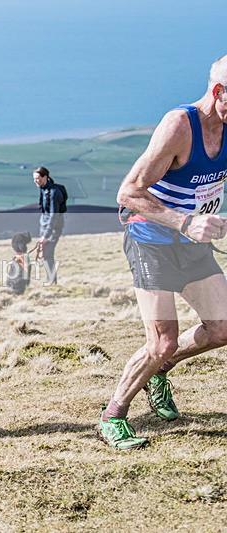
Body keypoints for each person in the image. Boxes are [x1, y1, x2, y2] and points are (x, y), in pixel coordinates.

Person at [100, 54, 227, 449]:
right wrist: (186, 221)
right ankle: (113, 416)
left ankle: (160, 371)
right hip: (151, 242)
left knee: (223, 328)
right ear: (219, 91)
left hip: (193, 245)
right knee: (162, 341)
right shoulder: (179, 127)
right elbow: (128, 193)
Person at [33, 166, 65, 284]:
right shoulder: (43, 188)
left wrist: (45, 236)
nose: (36, 181)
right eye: (34, 179)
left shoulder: (53, 193)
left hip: (53, 228)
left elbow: (54, 215)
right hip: (45, 225)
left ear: (45, 177)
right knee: (46, 254)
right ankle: (50, 280)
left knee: (47, 254)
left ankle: (51, 281)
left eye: (38, 178)